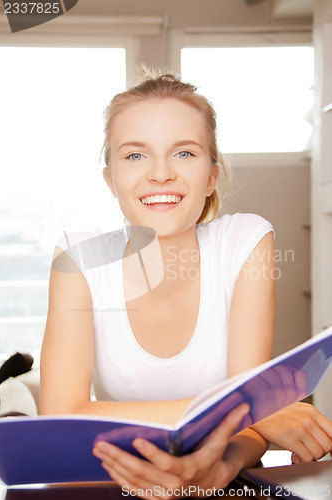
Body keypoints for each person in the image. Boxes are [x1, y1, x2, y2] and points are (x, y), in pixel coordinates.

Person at [40, 69, 332, 497]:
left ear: (212, 176)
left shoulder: (245, 242)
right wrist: (243, 409)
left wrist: (216, 469)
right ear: (111, 180)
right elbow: (62, 418)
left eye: (184, 153)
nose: (160, 174)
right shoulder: (79, 259)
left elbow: (250, 431)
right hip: (116, 484)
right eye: (135, 155)